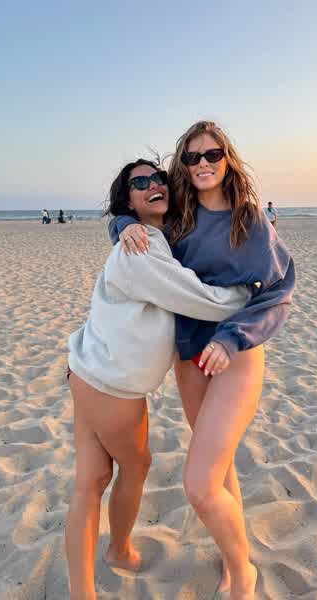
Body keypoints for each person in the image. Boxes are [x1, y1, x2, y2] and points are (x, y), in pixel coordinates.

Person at [113, 121, 296, 599]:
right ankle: (234, 557)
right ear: (183, 165)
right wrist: (122, 224)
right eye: (191, 157)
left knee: (199, 485)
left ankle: (243, 575)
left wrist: (232, 338)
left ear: (227, 159)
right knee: (220, 467)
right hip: (188, 354)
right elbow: (133, 215)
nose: (202, 164)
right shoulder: (177, 216)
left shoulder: (249, 219)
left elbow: (278, 292)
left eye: (212, 154)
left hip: (235, 354)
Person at [65, 159, 250, 600]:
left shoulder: (149, 237)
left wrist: (122, 224)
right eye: (141, 182)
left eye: (160, 178)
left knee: (91, 480)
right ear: (127, 200)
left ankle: (85, 587)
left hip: (86, 371)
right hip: (110, 384)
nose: (155, 184)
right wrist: (249, 293)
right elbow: (199, 298)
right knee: (135, 466)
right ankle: (118, 549)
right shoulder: (141, 247)